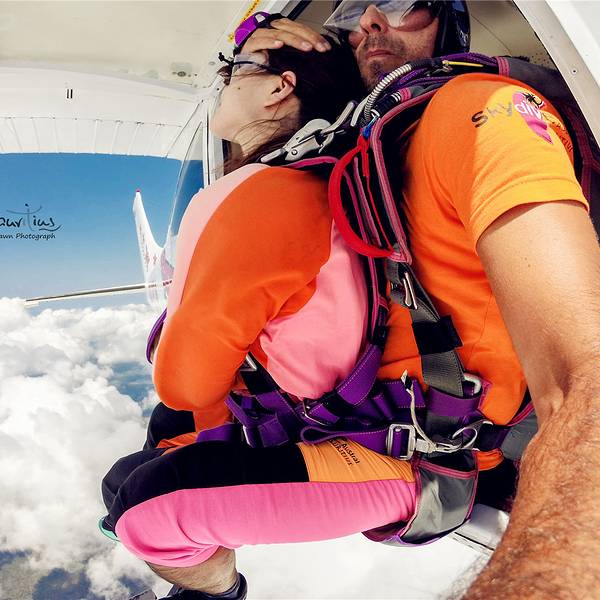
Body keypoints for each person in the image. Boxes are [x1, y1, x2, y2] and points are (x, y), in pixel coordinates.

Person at [239, 1, 600, 599]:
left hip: (442, 448)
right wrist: (257, 56)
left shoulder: (482, 112)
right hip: (365, 421)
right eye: (353, 9)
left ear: (447, 21)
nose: (371, 20)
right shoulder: (355, 140)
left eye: (402, 1)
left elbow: (584, 380)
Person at [100, 39, 426, 600]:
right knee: (125, 478)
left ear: (280, 88)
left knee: (143, 515)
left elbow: (184, 385)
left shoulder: (253, 194)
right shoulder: (312, 182)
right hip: (340, 416)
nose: (222, 81)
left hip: (392, 458)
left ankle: (214, 594)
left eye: (234, 69)